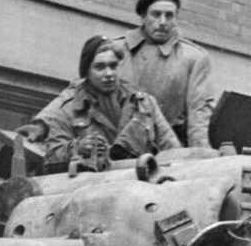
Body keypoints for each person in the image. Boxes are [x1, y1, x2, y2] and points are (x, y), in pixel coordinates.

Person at [34, 36, 180, 173]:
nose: (109, 73)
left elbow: (172, 150)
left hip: (141, 181)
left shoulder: (144, 103)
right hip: (93, 184)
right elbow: (51, 158)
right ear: (86, 71)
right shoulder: (68, 109)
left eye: (113, 66)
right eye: (100, 67)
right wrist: (77, 148)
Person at [119, 0, 216, 149]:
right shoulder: (117, 51)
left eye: (169, 15)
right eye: (156, 14)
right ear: (143, 17)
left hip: (168, 148)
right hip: (119, 148)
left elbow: (198, 116)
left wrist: (199, 155)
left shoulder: (193, 58)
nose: (163, 22)